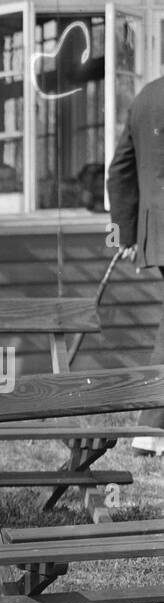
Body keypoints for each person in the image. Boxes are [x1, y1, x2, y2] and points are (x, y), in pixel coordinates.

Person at [108, 79, 164, 456]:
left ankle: (150, 432)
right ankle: (149, 431)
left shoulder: (146, 97)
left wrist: (126, 234)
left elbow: (119, 171)